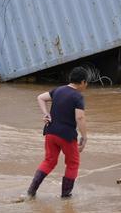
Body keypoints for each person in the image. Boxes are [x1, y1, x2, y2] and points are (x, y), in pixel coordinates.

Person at [26, 66, 89, 199]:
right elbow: (80, 118)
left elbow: (40, 98)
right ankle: (65, 196)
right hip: (66, 136)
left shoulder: (58, 90)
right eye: (86, 83)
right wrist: (84, 137)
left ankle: (31, 191)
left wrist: (46, 114)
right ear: (83, 82)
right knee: (73, 164)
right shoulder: (78, 97)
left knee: (49, 161)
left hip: (50, 132)